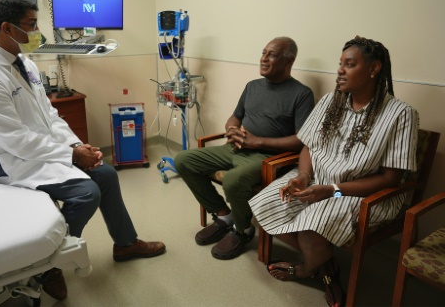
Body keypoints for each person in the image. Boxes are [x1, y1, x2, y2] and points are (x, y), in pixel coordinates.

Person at [0, 0, 165, 300]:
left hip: (36, 149)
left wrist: (78, 146)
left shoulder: (22, 62)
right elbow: (15, 140)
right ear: (7, 28)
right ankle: (46, 265)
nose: (36, 30)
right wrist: (70, 155)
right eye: (31, 24)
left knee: (105, 173)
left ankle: (125, 243)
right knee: (86, 193)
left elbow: (49, 115)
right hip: (5, 159)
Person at [249, 36, 419, 307]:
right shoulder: (331, 101)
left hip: (357, 194)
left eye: (349, 64)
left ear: (374, 69)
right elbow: (308, 146)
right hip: (317, 181)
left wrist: (332, 191)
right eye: (340, 64)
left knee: (310, 227)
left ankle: (307, 267)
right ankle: (326, 266)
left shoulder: (400, 114)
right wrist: (303, 177)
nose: (339, 70)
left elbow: (390, 178)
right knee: (265, 205)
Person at [174, 37, 315, 260]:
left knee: (232, 180)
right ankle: (224, 216)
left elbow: (301, 140)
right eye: (263, 52)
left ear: (288, 61)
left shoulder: (301, 94)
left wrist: (256, 142)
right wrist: (231, 129)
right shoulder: (252, 86)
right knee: (183, 160)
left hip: (267, 158)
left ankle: (243, 229)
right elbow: (235, 116)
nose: (263, 58)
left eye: (272, 55)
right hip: (235, 148)